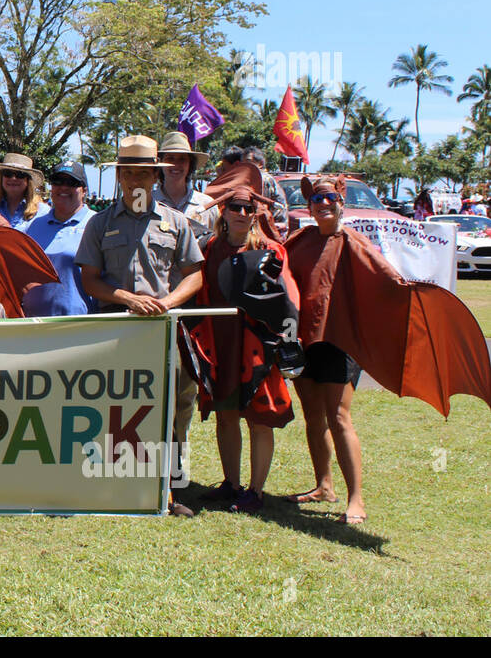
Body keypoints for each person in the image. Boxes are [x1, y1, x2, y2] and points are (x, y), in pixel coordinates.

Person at [76, 135, 204, 517]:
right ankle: (107, 487)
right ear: (119, 177)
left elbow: (195, 275)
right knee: (111, 408)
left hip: (161, 331)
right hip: (113, 328)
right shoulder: (100, 224)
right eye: (127, 173)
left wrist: (165, 303)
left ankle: (168, 490)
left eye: (143, 174)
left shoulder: (176, 222)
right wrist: (128, 299)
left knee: (168, 408)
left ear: (155, 177)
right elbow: (91, 280)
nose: (135, 181)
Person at [190, 163, 299, 514]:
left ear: (255, 214)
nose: (240, 213)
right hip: (220, 342)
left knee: (258, 416)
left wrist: (287, 342)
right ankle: (231, 483)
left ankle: (256, 490)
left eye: (247, 208)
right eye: (234, 207)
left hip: (257, 345)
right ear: (223, 211)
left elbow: (286, 299)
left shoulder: (271, 251)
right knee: (225, 414)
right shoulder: (208, 249)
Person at [282, 175, 368, 522]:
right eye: (316, 199)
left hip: (339, 341)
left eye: (329, 197)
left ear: (341, 200)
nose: (322, 204)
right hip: (304, 341)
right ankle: (324, 485)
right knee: (313, 416)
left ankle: (356, 498)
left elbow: (380, 281)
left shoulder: (353, 243)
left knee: (339, 417)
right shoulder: (299, 241)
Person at [21, 163, 97, 316]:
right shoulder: (34, 225)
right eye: (57, 181)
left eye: (71, 183)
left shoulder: (96, 224)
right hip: (33, 323)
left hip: (78, 323)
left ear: (84, 190)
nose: (63, 187)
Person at [154, 132, 218, 243]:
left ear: (190, 164)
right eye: (170, 158)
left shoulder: (207, 205)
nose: (176, 164)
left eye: (182, 159)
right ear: (160, 163)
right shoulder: (148, 202)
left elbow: (216, 245)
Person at [0, 153, 49, 232]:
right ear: (1, 177)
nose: (13, 178)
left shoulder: (43, 212)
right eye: (8, 174)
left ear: (28, 180)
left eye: (20, 175)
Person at [243, 147, 288, 238]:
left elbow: (278, 205)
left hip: (264, 229)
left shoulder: (264, 179)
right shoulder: (245, 179)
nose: (244, 165)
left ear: (260, 164)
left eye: (248, 161)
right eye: (242, 162)